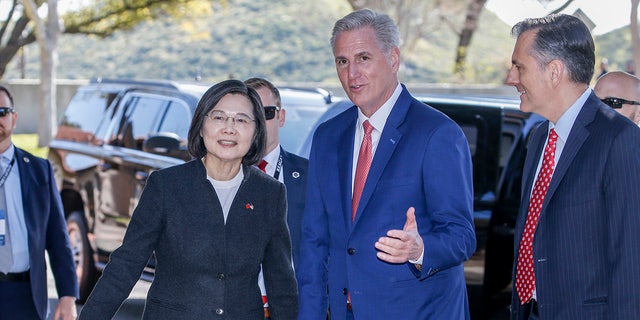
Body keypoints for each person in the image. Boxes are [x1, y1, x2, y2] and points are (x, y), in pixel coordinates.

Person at [297, 9, 476, 320]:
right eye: (343, 61)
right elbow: (315, 239)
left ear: (393, 59)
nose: (352, 74)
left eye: (363, 58)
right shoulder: (328, 136)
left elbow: (461, 235)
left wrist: (418, 250)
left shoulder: (437, 133)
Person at [78, 80, 298, 319]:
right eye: (218, 117)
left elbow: (281, 281)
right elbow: (126, 263)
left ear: (256, 131)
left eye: (242, 120)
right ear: (201, 125)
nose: (229, 128)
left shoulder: (269, 193)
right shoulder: (166, 186)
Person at [506, 14, 640, 319]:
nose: (511, 79)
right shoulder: (540, 136)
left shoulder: (618, 139)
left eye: (519, 67)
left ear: (554, 72)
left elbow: (631, 263)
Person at [0, 84, 78, 320]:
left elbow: (58, 237)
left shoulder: (38, 169)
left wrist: (67, 296)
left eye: (2, 112)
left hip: (25, 294)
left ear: (14, 118)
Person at [244, 78, 308, 319]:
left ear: (281, 117)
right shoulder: (219, 176)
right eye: (249, 114)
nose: (259, 121)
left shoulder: (313, 177)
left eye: (267, 113)